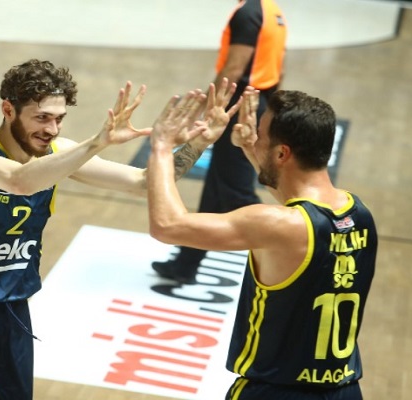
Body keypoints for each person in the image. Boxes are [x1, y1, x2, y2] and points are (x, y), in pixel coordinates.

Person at [0, 59, 240, 400]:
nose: (52, 129)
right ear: (8, 110)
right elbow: (18, 181)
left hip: (11, 308)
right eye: (42, 118)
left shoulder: (60, 152)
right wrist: (98, 142)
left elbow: (143, 182)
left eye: (59, 118)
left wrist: (199, 144)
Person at [146, 86, 377, 399]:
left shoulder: (276, 224)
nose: (255, 140)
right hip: (345, 391)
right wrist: (251, 151)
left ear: (282, 154)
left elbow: (167, 225)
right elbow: (297, 202)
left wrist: (162, 147)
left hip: (277, 392)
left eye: (261, 137)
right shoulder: (358, 213)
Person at [152, 0, 287, 284]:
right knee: (216, 188)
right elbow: (279, 66)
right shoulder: (272, 11)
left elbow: (234, 68)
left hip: (238, 106)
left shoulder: (248, 12)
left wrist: (204, 109)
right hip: (258, 100)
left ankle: (292, 241)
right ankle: (186, 264)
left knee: (236, 192)